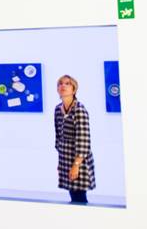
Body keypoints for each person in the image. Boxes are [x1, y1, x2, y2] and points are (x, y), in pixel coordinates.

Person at [54, 74, 96, 204]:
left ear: (74, 89)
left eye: (67, 83)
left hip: (78, 159)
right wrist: (61, 159)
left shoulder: (79, 110)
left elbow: (84, 139)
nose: (63, 86)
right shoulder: (58, 109)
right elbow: (58, 136)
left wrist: (76, 165)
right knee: (72, 193)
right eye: (60, 83)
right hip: (65, 157)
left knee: (79, 195)